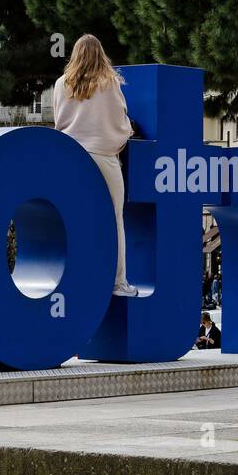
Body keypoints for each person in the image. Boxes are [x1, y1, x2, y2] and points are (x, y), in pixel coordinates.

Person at [53, 34, 139, 297]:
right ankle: (118, 283)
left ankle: (75, 276)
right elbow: (120, 120)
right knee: (114, 219)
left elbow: (59, 119)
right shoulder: (109, 83)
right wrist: (126, 132)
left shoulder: (61, 84)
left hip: (72, 158)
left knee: (74, 217)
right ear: (101, 54)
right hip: (103, 156)